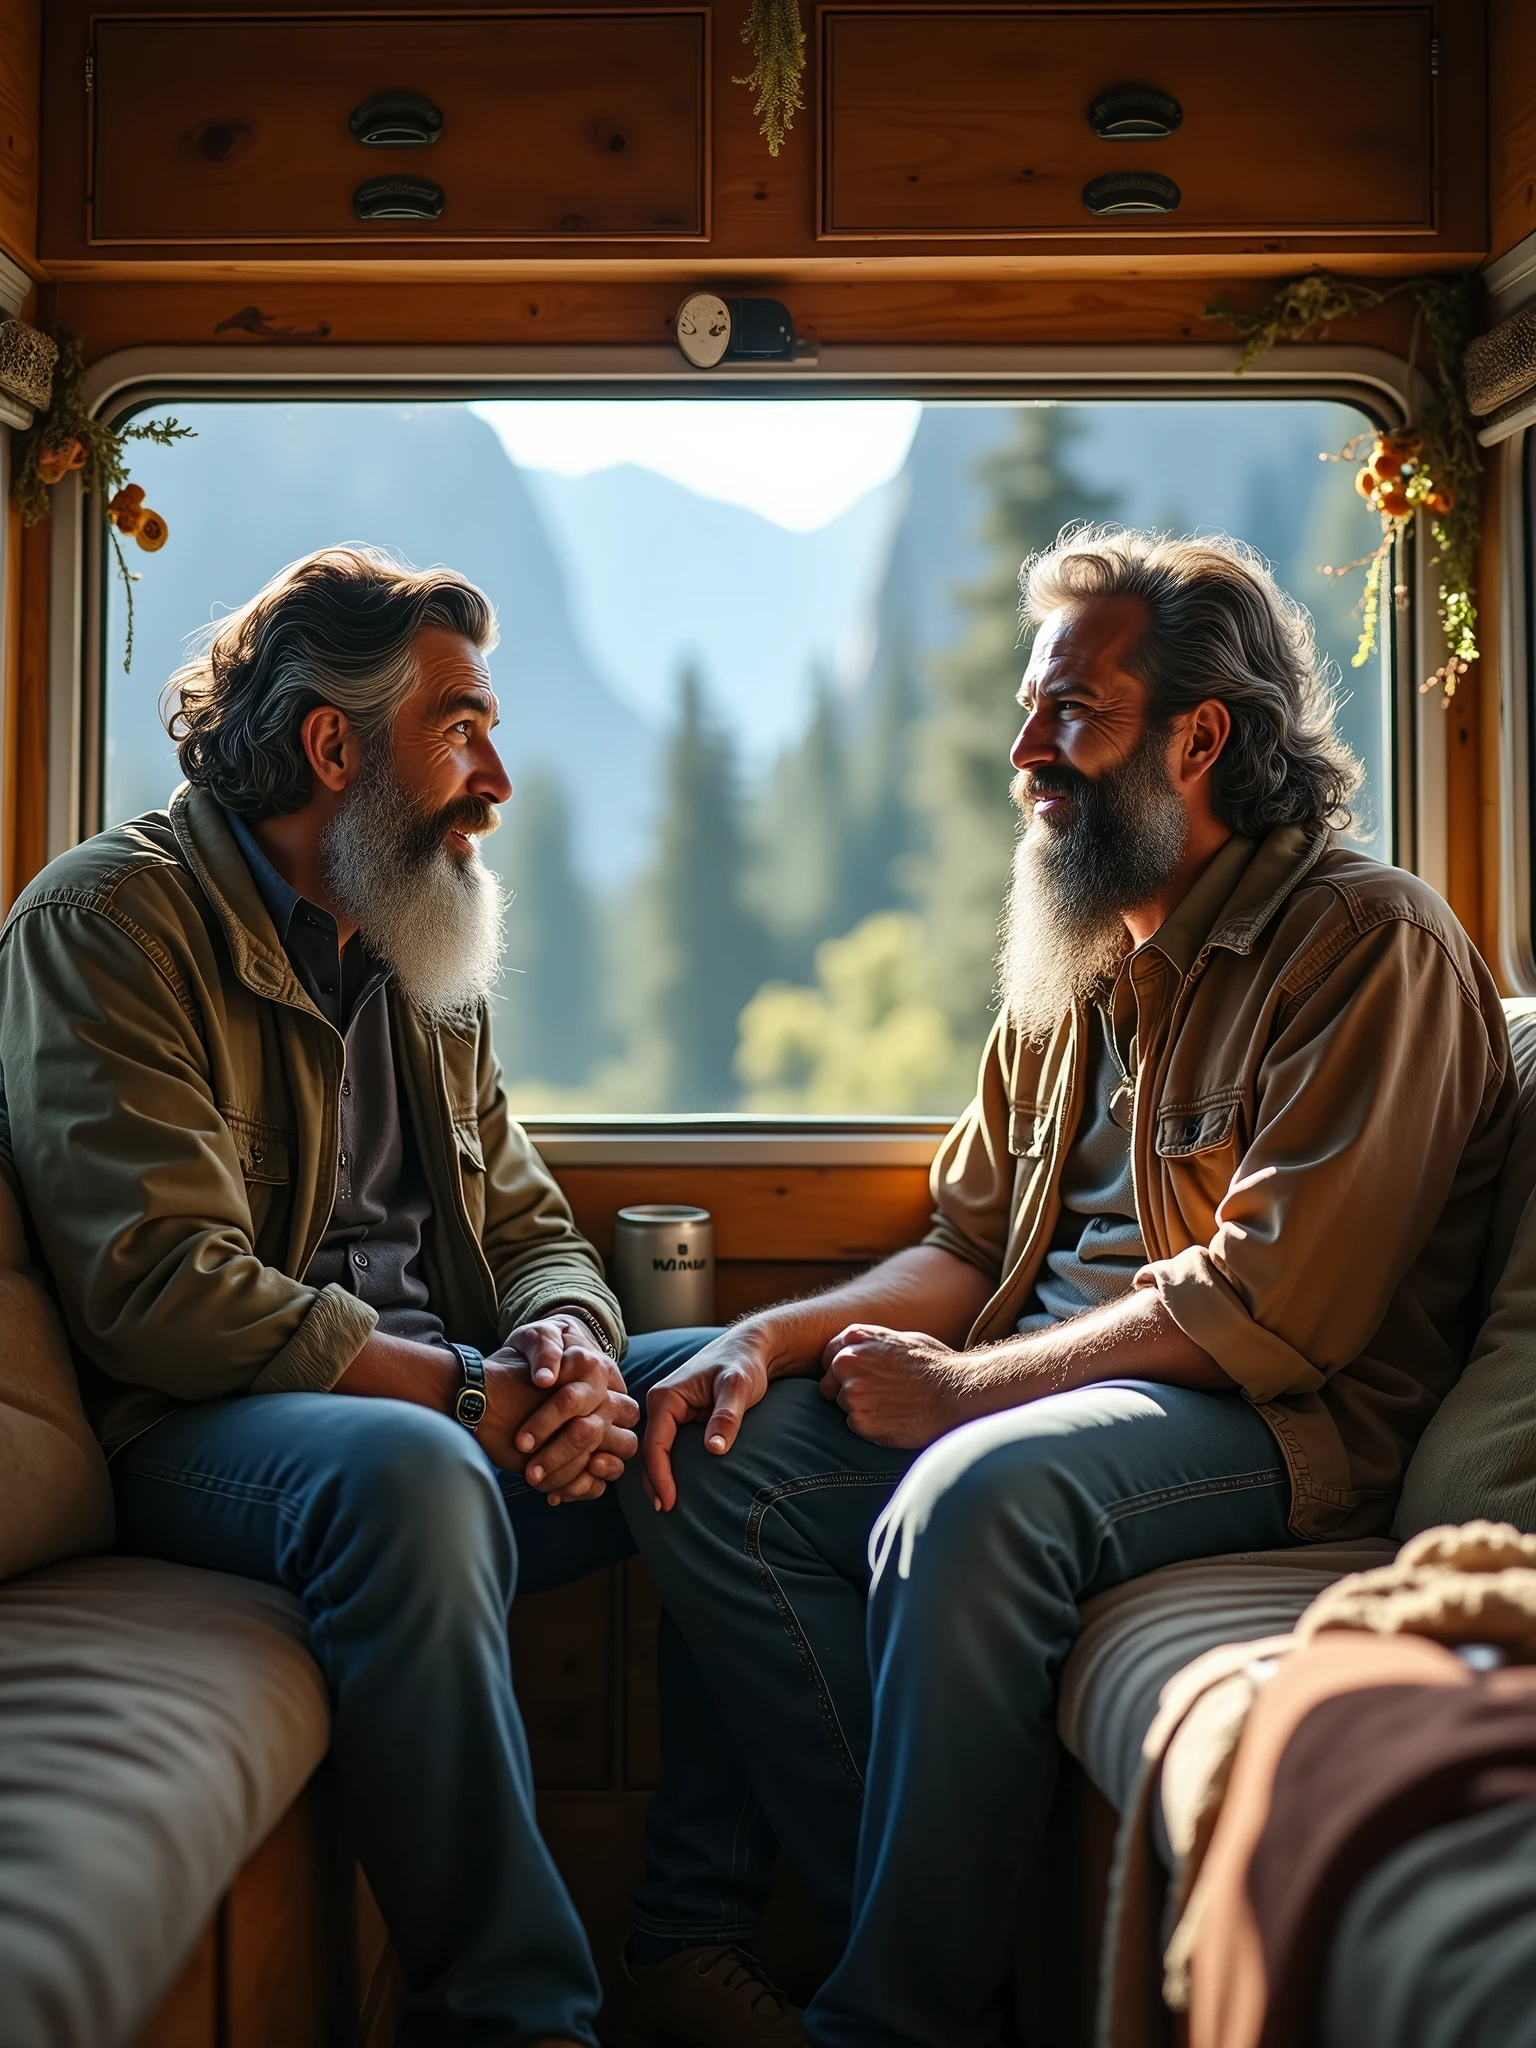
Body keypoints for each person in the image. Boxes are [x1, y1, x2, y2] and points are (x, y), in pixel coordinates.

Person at [619, 528, 1517, 2048]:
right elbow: (970, 1247)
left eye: (1072, 717)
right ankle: (828, 1939)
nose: (1026, 752)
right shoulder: (1082, 955)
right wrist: (766, 1338)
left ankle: (893, 2015)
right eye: (1030, 712)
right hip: (1068, 1388)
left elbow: (1268, 1307)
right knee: (698, 1431)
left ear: (1202, 736)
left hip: (1273, 1425)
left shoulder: (1366, 944)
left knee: (974, 1491)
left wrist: (968, 1391)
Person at [0, 546, 798, 2048]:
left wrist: (571, 1342)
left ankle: (693, 1938)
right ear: (330, 746)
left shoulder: (423, 936)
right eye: (463, 728)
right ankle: (516, 2019)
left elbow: (528, 1226)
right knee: (415, 1468)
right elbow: (163, 1291)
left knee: (738, 1401)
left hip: (451, 1408)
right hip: (207, 1436)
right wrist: (472, 1396)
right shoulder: (111, 925)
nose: (496, 776)